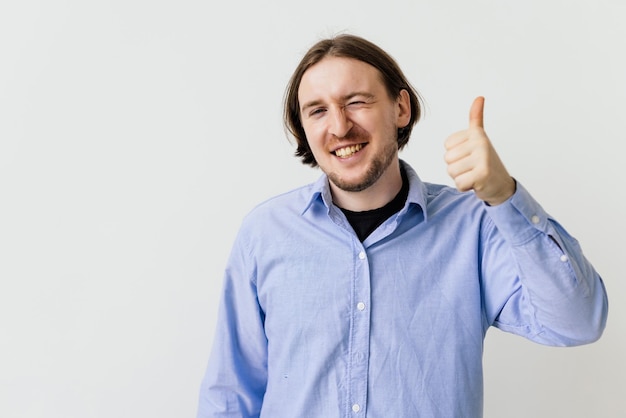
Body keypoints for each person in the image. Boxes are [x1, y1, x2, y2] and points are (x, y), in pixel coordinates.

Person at [196, 34, 608, 418]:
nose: (339, 127)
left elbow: (576, 321)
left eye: (356, 101)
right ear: (303, 128)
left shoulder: (472, 226)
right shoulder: (265, 233)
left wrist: (504, 195)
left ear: (401, 108)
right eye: (318, 110)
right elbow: (230, 397)